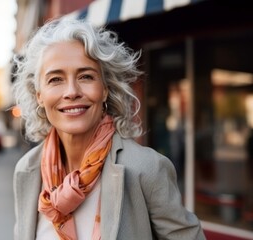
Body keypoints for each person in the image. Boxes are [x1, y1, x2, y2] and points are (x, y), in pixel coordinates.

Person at [11, 18, 206, 240]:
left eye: (86, 76)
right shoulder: (26, 170)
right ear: (39, 96)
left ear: (104, 89)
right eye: (56, 79)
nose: (72, 91)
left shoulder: (146, 169)